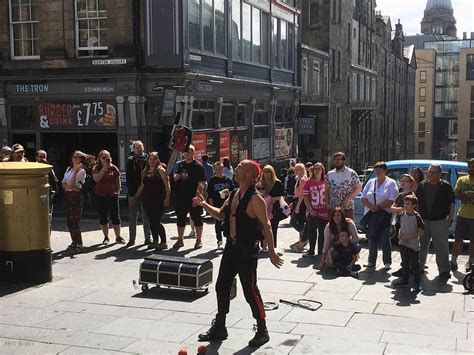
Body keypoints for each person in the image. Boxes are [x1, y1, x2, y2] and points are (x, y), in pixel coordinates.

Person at [193, 160, 283, 348]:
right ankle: (220, 327)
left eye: (241, 167)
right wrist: (203, 205)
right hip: (231, 248)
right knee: (221, 286)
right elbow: (220, 214)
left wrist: (272, 252)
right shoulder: (234, 194)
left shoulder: (255, 199)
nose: (236, 169)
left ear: (250, 174)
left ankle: (262, 330)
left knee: (250, 291)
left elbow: (266, 225)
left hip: (247, 251)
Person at [417, 163, 454, 279]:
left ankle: (444, 270)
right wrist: (417, 218)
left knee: (441, 246)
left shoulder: (446, 186)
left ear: (439, 174)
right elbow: (417, 203)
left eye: (433, 172)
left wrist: (451, 218)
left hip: (440, 220)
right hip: (424, 220)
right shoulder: (422, 185)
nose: (431, 174)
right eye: (429, 172)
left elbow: (452, 204)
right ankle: (419, 267)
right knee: (421, 245)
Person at [361, 161, 398, 269]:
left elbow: (392, 199)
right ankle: (371, 261)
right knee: (372, 238)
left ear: (385, 171)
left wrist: (379, 206)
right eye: (376, 170)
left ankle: (387, 262)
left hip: (384, 214)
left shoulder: (391, 183)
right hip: (371, 214)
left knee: (384, 238)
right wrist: (371, 206)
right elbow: (363, 197)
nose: (378, 172)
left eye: (380, 170)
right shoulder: (371, 182)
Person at [131, 152, 170, 250]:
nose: (152, 161)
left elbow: (167, 185)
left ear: (157, 160)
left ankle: (164, 242)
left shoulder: (160, 170)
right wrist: (135, 196)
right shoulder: (145, 170)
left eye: (154, 159)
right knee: (151, 221)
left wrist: (167, 198)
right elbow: (142, 185)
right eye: (150, 159)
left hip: (159, 200)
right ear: (148, 160)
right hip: (147, 200)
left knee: (156, 221)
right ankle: (155, 241)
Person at [174, 144, 207, 249]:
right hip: (182, 197)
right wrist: (176, 177)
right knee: (180, 219)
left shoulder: (198, 166)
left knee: (197, 218)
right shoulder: (181, 165)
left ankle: (198, 240)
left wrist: (197, 196)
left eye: (190, 151)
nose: (187, 153)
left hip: (193, 197)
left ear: (194, 153)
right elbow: (177, 176)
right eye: (186, 152)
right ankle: (180, 240)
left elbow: (202, 183)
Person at [62, 151, 95, 254]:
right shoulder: (68, 169)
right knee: (68, 220)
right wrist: (70, 187)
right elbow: (63, 184)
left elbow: (72, 183)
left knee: (74, 221)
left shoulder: (82, 171)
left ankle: (80, 244)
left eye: (77, 158)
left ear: (81, 160)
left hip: (75, 197)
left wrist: (75, 171)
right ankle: (74, 241)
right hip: (67, 195)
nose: (74, 159)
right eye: (73, 157)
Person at [392, 195, 424, 292]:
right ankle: (404, 280)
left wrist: (408, 237)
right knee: (405, 263)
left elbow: (421, 232)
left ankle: (417, 282)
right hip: (403, 243)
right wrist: (400, 234)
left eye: (408, 204)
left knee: (415, 265)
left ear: (414, 205)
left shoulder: (417, 217)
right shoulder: (402, 215)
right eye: (405, 203)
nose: (405, 205)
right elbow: (402, 226)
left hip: (413, 245)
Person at [92, 150, 124, 244]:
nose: (106, 159)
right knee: (103, 217)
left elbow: (118, 181)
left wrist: (117, 192)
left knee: (115, 217)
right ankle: (106, 237)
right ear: (100, 159)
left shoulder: (114, 168)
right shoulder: (96, 168)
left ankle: (118, 237)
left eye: (108, 157)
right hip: (100, 196)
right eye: (103, 158)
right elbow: (96, 179)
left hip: (112, 196)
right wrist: (103, 169)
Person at [390, 174, 417, 277]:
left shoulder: (413, 196)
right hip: (400, 223)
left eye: (405, 181)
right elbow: (392, 208)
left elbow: (414, 210)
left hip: (410, 223)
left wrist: (401, 209)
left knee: (409, 246)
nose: (402, 183)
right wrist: (402, 209)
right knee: (402, 246)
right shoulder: (400, 195)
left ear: (411, 183)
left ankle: (409, 268)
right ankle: (404, 267)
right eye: (401, 181)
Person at [126, 140, 151, 247]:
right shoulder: (130, 161)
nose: (139, 149)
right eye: (137, 147)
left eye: (140, 146)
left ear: (143, 147)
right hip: (134, 192)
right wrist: (132, 195)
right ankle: (132, 239)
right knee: (133, 217)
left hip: (146, 193)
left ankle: (147, 238)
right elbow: (129, 179)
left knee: (146, 217)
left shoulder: (149, 159)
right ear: (134, 149)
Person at [451, 159, 474, 272]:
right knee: (458, 239)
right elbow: (456, 194)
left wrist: (468, 195)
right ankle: (454, 261)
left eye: (472, 167)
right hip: (462, 215)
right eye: (469, 166)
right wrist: (468, 196)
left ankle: (471, 262)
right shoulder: (462, 179)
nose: (470, 169)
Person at [302, 163, 329, 257]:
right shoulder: (308, 182)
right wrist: (310, 210)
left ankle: (321, 252)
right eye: (315, 169)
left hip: (324, 212)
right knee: (312, 231)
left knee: (323, 232)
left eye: (319, 169)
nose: (317, 170)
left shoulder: (326, 180)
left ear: (322, 170)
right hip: (312, 211)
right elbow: (305, 197)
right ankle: (311, 250)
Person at [325, 152, 361, 219]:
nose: (337, 161)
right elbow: (326, 190)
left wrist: (348, 198)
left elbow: (358, 188)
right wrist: (327, 203)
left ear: (344, 160)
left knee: (347, 227)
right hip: (333, 208)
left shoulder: (351, 173)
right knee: (333, 228)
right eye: (335, 159)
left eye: (339, 159)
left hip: (346, 207)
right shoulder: (330, 174)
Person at [207, 161, 235, 250]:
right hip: (217, 205)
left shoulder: (228, 180)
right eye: (216, 169)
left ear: (223, 169)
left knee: (228, 223)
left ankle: (228, 240)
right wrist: (211, 207)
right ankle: (219, 241)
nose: (218, 171)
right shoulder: (212, 181)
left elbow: (234, 192)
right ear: (214, 170)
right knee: (218, 224)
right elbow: (210, 195)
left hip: (227, 204)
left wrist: (228, 193)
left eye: (220, 169)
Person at [260, 165, 285, 248]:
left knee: (273, 226)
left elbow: (282, 196)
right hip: (263, 208)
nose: (267, 174)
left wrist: (273, 199)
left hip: (275, 209)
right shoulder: (260, 183)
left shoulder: (277, 183)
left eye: (269, 172)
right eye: (265, 172)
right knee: (262, 226)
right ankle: (263, 245)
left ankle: (272, 245)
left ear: (272, 173)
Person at [36, 150, 59, 228]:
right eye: (40, 157)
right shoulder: (33, 167)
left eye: (44, 157)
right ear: (36, 157)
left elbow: (54, 180)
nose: (42, 159)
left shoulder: (49, 168)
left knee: (47, 217)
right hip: (35, 196)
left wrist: (54, 192)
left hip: (47, 196)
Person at [289, 164, 308, 251]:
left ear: (303, 169)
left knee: (293, 221)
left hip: (301, 202)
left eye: (298, 169)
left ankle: (305, 236)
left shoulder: (302, 179)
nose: (296, 171)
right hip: (297, 201)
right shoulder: (299, 179)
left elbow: (302, 194)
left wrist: (298, 206)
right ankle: (302, 240)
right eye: (295, 169)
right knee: (300, 222)